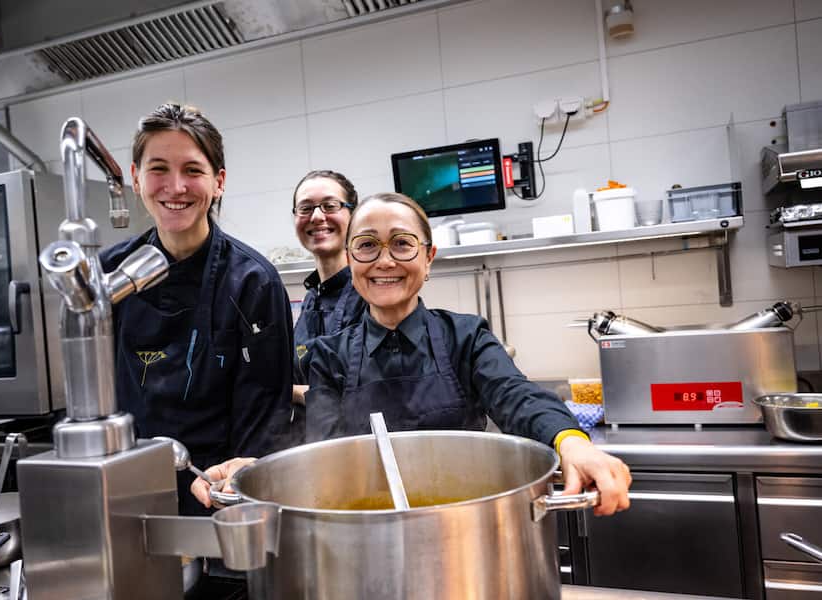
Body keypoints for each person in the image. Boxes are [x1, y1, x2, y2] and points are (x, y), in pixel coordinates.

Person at [193, 192, 630, 516]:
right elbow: (319, 452)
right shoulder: (329, 356)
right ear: (351, 258)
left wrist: (572, 442)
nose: (384, 261)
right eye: (367, 245)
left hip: (467, 522)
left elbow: (517, 396)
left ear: (429, 257)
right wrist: (260, 469)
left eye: (402, 244)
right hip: (362, 527)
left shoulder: (466, 336)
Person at [101, 103, 295, 517]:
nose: (176, 186)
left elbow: (265, 415)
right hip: (128, 496)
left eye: (192, 170)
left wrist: (236, 489)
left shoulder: (252, 282)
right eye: (158, 169)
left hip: (219, 493)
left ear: (218, 181)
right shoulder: (109, 275)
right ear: (135, 179)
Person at [290, 170, 367, 404]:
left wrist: (285, 391)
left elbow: (360, 391)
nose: (316, 216)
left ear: (353, 215)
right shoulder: (311, 298)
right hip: (312, 434)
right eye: (305, 208)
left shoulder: (369, 293)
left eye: (330, 205)